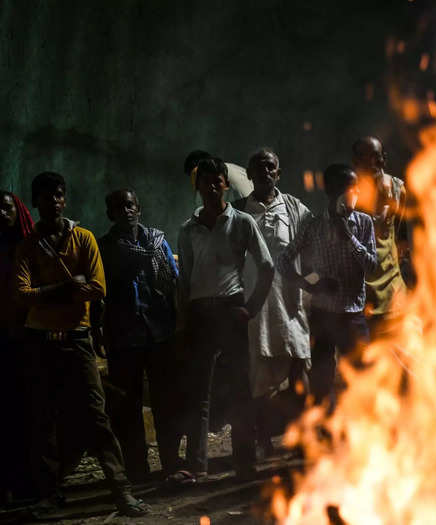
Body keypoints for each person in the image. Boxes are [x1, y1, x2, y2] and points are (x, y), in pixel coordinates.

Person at [14, 172, 149, 516]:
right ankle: (49, 495)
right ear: (37, 202)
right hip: (41, 343)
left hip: (77, 340)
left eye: (58, 195)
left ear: (65, 199)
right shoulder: (28, 245)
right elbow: (21, 295)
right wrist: (66, 289)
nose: (53, 202)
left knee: (97, 417)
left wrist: (47, 295)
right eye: (46, 197)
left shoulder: (84, 238)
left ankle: (121, 491)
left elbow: (98, 288)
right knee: (43, 420)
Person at [177, 157, 274, 483]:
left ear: (226, 183)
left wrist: (252, 306)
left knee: (239, 390)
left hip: (232, 311)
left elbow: (267, 266)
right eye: (205, 181)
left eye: (217, 180)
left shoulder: (242, 221)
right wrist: (183, 319)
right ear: (198, 186)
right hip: (200, 313)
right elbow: (184, 278)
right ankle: (196, 465)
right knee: (197, 393)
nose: (212, 186)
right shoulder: (188, 229)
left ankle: (244, 464)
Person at [277, 163, 377, 410]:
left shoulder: (363, 223)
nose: (354, 193)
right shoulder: (314, 225)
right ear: (333, 192)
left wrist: (349, 238)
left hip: (353, 315)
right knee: (322, 381)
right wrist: (310, 284)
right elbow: (283, 260)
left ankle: (361, 435)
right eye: (348, 188)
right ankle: (324, 435)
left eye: (356, 187)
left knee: (361, 378)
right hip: (323, 315)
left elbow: (372, 266)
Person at [232, 148, 312, 456]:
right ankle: (262, 438)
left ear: (278, 173)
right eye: (258, 167)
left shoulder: (294, 208)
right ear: (249, 174)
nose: (265, 172)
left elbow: (314, 241)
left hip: (291, 303)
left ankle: (304, 438)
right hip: (257, 304)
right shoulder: (239, 211)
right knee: (260, 375)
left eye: (271, 167)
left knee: (298, 365)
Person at [98, 189, 180, 482]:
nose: (126, 211)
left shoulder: (157, 242)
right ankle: (137, 468)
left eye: (130, 205)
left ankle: (171, 463)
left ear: (139, 208)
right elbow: (100, 295)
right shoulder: (105, 248)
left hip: (159, 333)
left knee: (166, 402)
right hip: (124, 336)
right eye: (118, 207)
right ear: (110, 214)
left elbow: (173, 281)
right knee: (127, 407)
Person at [352, 137, 408, 335]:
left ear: (384, 159)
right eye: (364, 158)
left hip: (393, 297)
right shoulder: (347, 194)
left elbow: (402, 239)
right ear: (355, 162)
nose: (370, 163)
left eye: (375, 157)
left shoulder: (396, 189)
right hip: (359, 299)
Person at [0, 191, 34, 503]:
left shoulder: (31, 246)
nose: (1, 212)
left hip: (27, 340)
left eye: (6, 207)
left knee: (27, 412)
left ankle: (25, 483)